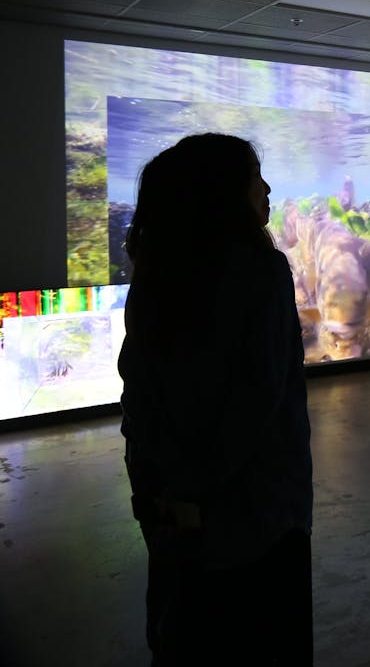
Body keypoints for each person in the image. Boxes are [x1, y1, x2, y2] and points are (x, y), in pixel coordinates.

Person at [118, 133, 312, 665]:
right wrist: (196, 490)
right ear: (222, 192)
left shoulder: (157, 274)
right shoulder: (262, 272)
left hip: (173, 518)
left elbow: (139, 393)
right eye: (254, 177)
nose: (266, 188)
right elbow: (258, 401)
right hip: (258, 517)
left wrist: (168, 497)